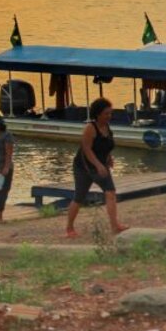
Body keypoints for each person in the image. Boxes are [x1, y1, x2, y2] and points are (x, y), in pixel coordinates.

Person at [65, 98, 127, 238]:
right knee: (79, 197)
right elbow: (86, 149)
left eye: (110, 113)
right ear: (98, 114)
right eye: (106, 114)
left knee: (110, 192)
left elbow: (106, 145)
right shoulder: (90, 128)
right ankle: (69, 228)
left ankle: (114, 225)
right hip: (84, 167)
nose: (109, 116)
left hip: (101, 165)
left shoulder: (107, 127)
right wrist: (98, 165)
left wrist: (109, 158)